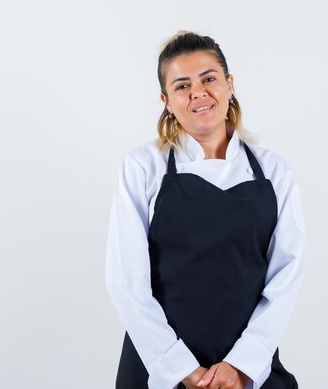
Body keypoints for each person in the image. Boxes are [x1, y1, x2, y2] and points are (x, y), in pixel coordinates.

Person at [105, 31, 306, 389]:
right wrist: (183, 370)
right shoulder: (142, 167)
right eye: (182, 85)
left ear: (229, 85)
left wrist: (240, 366)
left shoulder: (275, 172)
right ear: (166, 100)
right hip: (159, 368)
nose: (198, 92)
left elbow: (286, 275)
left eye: (209, 79)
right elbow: (127, 283)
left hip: (248, 371)